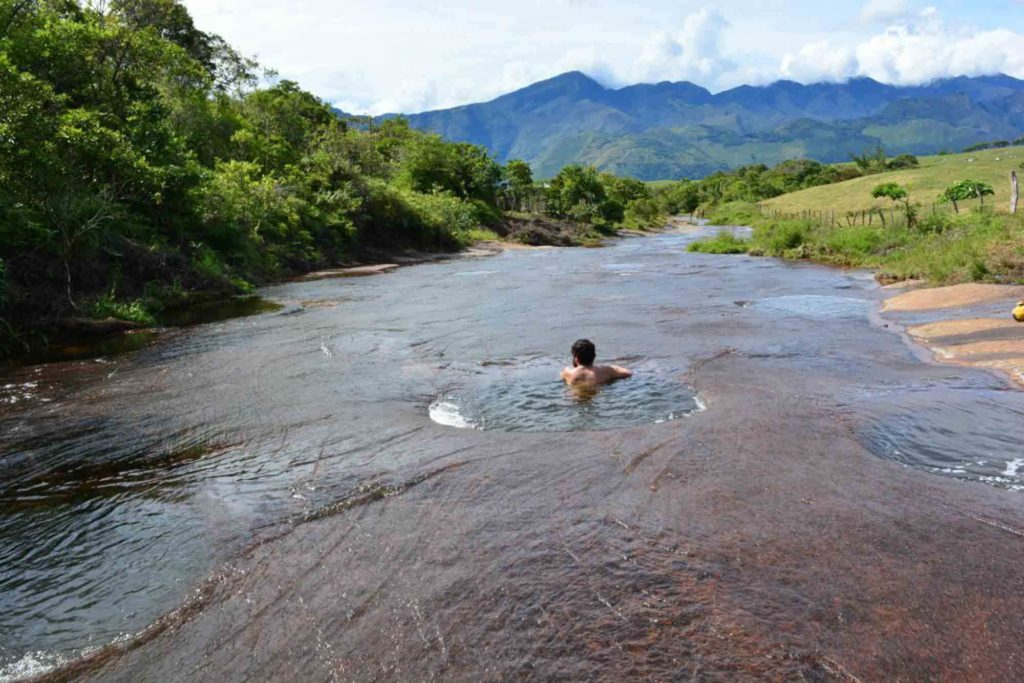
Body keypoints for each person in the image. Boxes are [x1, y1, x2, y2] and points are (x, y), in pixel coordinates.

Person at [560, 339, 632, 386]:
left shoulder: (568, 372)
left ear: (577, 358)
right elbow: (628, 373)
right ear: (594, 356)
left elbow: (562, 375)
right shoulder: (606, 370)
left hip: (575, 400)